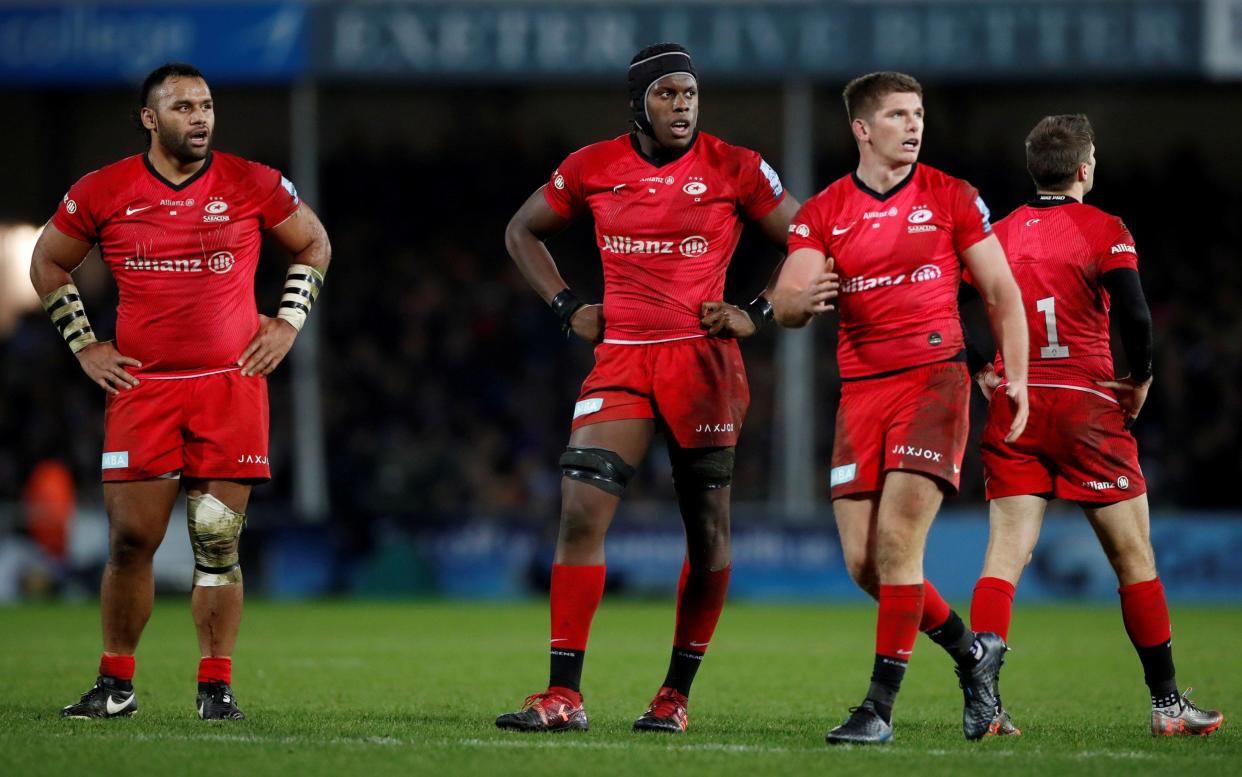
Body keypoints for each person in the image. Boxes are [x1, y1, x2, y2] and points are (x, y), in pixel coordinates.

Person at [495, 43, 836, 734]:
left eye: (689, 94)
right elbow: (522, 230)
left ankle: (673, 695)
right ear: (638, 103)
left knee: (708, 533)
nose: (682, 106)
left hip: (703, 366)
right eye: (667, 95)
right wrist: (566, 304)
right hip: (621, 358)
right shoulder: (591, 167)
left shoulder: (736, 167)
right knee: (579, 511)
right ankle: (564, 694)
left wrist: (756, 312)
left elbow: (811, 240)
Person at [31, 62, 331, 720]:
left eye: (207, 105)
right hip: (144, 389)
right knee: (130, 542)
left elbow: (313, 243)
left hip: (230, 386)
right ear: (150, 118)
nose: (200, 117)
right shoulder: (103, 190)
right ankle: (116, 684)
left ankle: (215, 687)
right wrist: (85, 344)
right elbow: (47, 260)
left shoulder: (251, 182)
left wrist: (287, 322)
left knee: (217, 540)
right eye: (183, 107)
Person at [773, 71, 1029, 744]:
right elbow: (793, 287)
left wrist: (1017, 373)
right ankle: (974, 654)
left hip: (934, 381)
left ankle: (877, 710)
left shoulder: (952, 196)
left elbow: (1001, 290)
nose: (914, 125)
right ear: (862, 128)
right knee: (865, 564)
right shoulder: (824, 210)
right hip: (861, 393)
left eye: (918, 114)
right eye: (897, 115)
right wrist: (792, 303)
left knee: (897, 543)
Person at [967, 114, 1223, 737]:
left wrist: (980, 366)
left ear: (1036, 169)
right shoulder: (1105, 228)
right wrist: (1140, 377)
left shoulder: (995, 233)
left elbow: (943, 302)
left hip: (1016, 403)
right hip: (1086, 405)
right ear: (1084, 169)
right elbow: (1135, 313)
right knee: (1134, 558)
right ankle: (1166, 705)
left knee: (1004, 558)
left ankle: (987, 705)